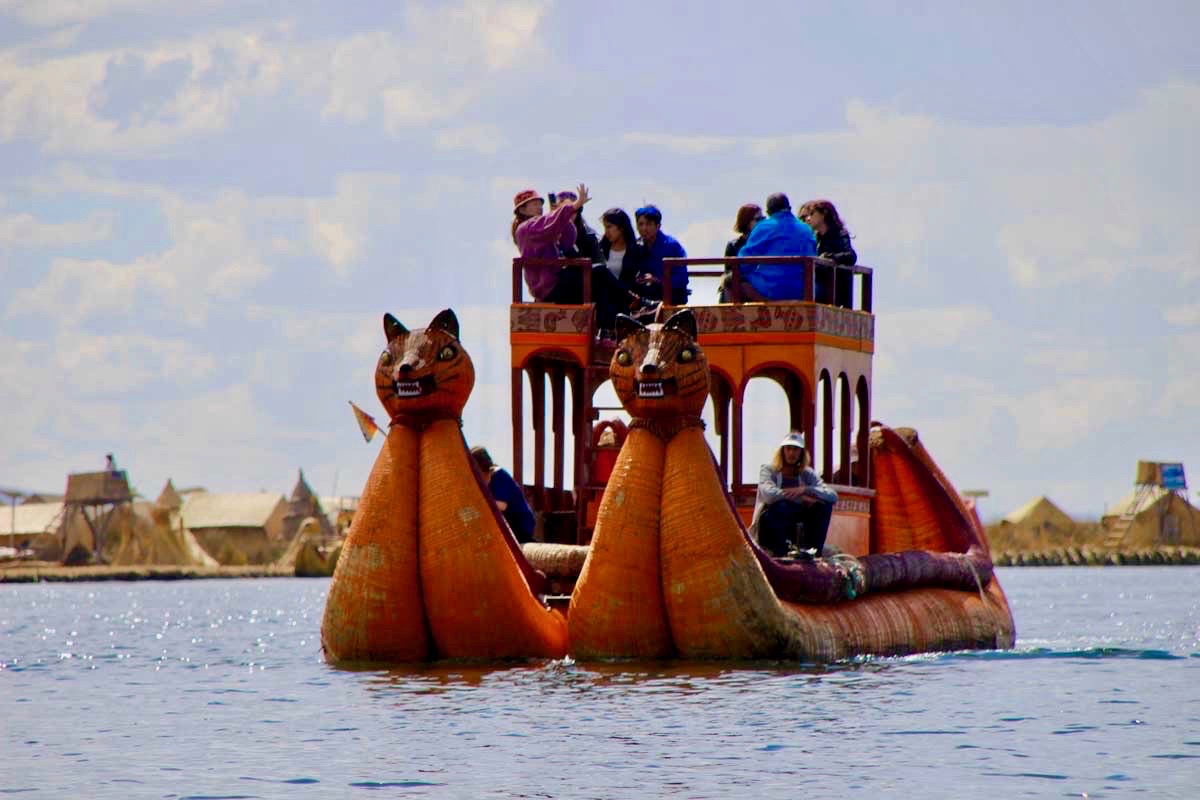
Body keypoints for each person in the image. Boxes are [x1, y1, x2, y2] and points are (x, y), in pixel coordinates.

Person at [511, 184, 624, 333]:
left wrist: (561, 218)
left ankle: (612, 324)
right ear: (522, 209)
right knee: (600, 273)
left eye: (540, 203)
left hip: (557, 280)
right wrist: (569, 208)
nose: (539, 206)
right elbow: (549, 224)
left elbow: (568, 240)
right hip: (550, 286)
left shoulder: (540, 226)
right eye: (535, 203)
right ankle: (624, 311)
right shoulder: (525, 228)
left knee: (599, 281)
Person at [750, 432, 837, 559]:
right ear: (782, 451)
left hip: (796, 525)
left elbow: (832, 496)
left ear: (801, 453)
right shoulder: (768, 470)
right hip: (770, 525)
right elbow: (769, 495)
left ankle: (814, 551)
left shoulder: (806, 473)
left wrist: (805, 489)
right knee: (782, 506)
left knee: (823, 506)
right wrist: (800, 498)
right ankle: (780, 552)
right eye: (788, 448)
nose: (792, 453)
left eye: (795, 449)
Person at [737, 192, 817, 301]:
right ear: (789, 208)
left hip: (772, 289)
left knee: (733, 279)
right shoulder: (806, 229)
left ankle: (763, 311)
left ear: (768, 212)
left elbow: (743, 263)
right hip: (802, 290)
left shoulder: (764, 227)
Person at [470, 446, 536, 544]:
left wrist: (478, 502)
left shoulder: (500, 476)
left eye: (481, 476)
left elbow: (502, 506)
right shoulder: (486, 483)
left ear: (488, 470)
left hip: (521, 524)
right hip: (507, 524)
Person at [799, 199, 857, 307]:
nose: (808, 219)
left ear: (823, 214)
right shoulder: (816, 237)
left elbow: (851, 256)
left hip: (835, 288)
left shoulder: (839, 234)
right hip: (819, 283)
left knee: (811, 292)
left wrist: (829, 257)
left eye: (812, 214)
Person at [634, 205, 689, 305]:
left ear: (658, 226)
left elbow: (682, 279)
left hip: (671, 297)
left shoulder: (672, 245)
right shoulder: (636, 246)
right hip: (645, 297)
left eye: (649, 224)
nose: (644, 228)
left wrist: (656, 280)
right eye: (641, 224)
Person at [720, 203, 764, 301]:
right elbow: (729, 272)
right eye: (758, 219)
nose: (762, 223)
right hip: (740, 285)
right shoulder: (734, 245)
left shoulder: (765, 241)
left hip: (759, 285)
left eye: (763, 219)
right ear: (746, 221)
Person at [551, 189, 603, 265]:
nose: (569, 214)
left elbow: (598, 265)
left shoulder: (589, 237)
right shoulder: (547, 233)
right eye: (563, 210)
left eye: (573, 210)